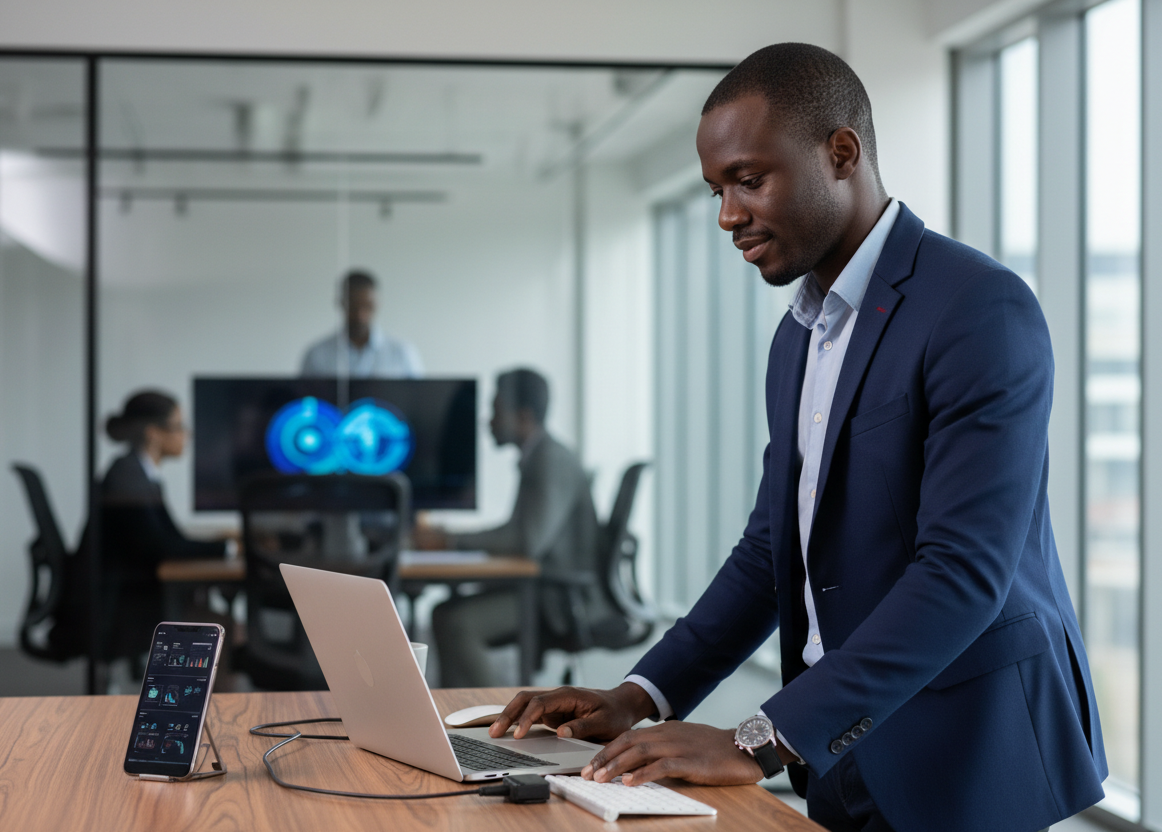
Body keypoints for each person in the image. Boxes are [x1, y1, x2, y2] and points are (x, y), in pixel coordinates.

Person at [488, 43, 1107, 832]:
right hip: (836, 747)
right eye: (717, 189)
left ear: (840, 153)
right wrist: (637, 695)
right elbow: (769, 553)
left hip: (965, 752)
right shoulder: (800, 334)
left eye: (750, 180)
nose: (727, 215)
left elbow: (961, 573)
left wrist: (761, 739)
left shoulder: (979, 308)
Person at [413, 368, 599, 688]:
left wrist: (448, 540)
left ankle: (495, 717)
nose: (488, 421)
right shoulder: (539, 456)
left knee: (456, 622)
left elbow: (526, 540)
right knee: (444, 615)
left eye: (497, 411)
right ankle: (455, 721)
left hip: (557, 597)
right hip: (544, 585)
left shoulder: (549, 460)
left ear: (523, 416)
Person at [100, 391, 233, 663]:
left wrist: (222, 541)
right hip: (126, 603)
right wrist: (228, 548)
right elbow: (161, 546)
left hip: (136, 592)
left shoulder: (138, 473)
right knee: (227, 633)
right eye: (179, 426)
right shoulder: (129, 477)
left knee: (221, 625)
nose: (187, 435)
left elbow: (167, 536)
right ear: (154, 433)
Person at [300, 269, 424, 378]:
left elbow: (419, 400)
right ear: (341, 303)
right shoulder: (316, 355)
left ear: (377, 305)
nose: (360, 316)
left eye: (367, 306)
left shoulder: (402, 353)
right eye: (353, 307)